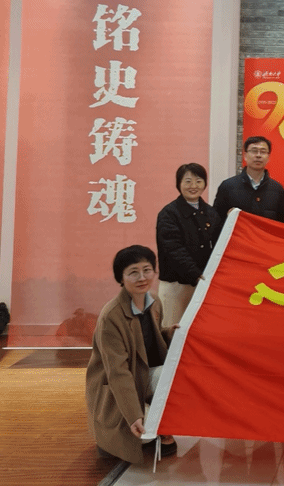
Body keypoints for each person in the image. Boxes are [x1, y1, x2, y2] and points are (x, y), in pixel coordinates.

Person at [85, 246, 177, 463]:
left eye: (147, 270)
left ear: (154, 272)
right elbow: (117, 372)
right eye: (133, 272)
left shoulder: (154, 301)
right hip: (116, 385)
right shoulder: (111, 316)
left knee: (177, 375)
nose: (142, 277)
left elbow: (150, 340)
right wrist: (133, 414)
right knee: (141, 432)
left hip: (142, 375)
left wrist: (171, 333)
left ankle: (156, 423)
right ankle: (111, 437)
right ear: (121, 278)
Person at [156, 163, 221, 327]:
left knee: (200, 330)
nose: (193, 186)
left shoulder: (211, 213)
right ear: (179, 184)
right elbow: (173, 249)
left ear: (205, 184)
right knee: (171, 331)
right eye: (188, 181)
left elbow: (219, 245)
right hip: (176, 286)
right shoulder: (169, 213)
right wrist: (195, 274)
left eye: (198, 181)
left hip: (203, 284)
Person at [213, 136, 284, 224]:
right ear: (245, 155)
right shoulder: (227, 186)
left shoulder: (277, 189)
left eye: (263, 152)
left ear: (268, 157)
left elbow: (280, 223)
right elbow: (217, 220)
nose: (258, 155)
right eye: (254, 151)